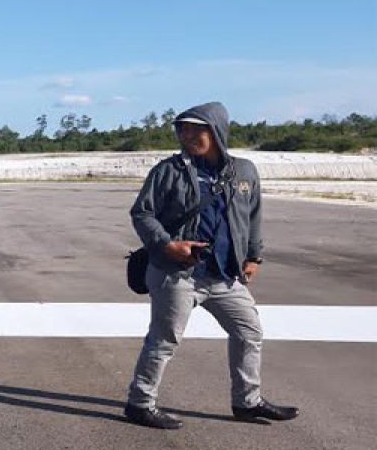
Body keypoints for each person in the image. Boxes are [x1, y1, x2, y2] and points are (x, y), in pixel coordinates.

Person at [124, 101, 298, 429]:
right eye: (182, 129)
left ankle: (247, 402)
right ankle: (140, 402)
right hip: (178, 274)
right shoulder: (168, 171)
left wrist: (254, 255)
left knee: (249, 331)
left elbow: (253, 215)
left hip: (225, 274)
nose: (187, 135)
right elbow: (141, 213)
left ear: (216, 130)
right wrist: (167, 244)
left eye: (196, 129)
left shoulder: (244, 171)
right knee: (164, 339)